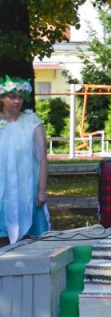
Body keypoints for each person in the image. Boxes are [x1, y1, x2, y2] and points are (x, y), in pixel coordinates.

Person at [0, 76, 49, 247]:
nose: (17, 101)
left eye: (20, 97)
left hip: (27, 189)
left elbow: (42, 157)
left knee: (31, 238)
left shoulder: (32, 122)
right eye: (12, 97)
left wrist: (42, 190)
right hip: (2, 190)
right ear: (1, 98)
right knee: (3, 235)